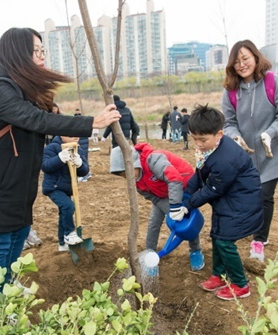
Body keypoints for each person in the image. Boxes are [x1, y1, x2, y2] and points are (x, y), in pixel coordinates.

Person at [0, 27, 120, 294]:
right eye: (37, 51)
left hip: (15, 180)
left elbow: (42, 117)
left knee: (20, 233)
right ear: (19, 52)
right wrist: (91, 122)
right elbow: (31, 119)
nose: (43, 57)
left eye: (43, 51)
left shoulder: (15, 84)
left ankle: (9, 284)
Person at [221, 39, 278, 262]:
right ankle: (249, 228)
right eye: (237, 62)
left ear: (255, 57)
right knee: (246, 194)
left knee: (264, 195)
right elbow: (228, 121)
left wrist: (270, 133)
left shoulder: (275, 82)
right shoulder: (231, 91)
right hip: (245, 154)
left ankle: (259, 241)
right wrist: (235, 136)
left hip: (273, 152)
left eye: (245, 59)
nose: (242, 65)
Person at [183, 104, 263, 300]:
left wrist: (189, 204)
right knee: (217, 236)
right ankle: (220, 274)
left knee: (225, 242)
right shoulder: (210, 151)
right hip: (228, 200)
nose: (198, 144)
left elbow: (212, 189)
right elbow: (200, 174)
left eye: (203, 140)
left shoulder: (225, 159)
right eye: (194, 139)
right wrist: (186, 194)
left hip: (241, 203)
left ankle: (241, 284)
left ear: (219, 134)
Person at [109, 143, 205, 271]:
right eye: (124, 176)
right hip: (161, 195)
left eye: (128, 172)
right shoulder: (137, 183)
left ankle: (195, 251)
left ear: (134, 163)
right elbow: (154, 198)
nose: (128, 178)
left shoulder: (152, 160)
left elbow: (174, 178)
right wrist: (170, 210)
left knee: (186, 223)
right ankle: (150, 256)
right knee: (154, 223)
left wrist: (176, 207)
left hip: (183, 184)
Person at [42, 136, 88, 252]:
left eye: (77, 134)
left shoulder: (78, 149)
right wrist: (59, 158)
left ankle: (62, 244)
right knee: (68, 206)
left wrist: (80, 164)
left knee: (64, 212)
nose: (76, 137)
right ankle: (69, 233)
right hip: (54, 187)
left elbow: (84, 171)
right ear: (62, 135)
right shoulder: (52, 148)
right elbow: (45, 166)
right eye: (71, 135)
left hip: (67, 188)